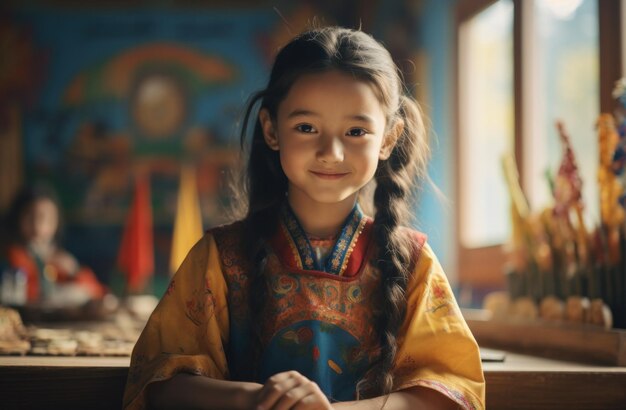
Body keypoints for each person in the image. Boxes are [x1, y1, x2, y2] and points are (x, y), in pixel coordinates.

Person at [124, 26, 485, 410]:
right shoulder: (220, 257)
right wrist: (261, 400)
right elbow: (157, 383)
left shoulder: (413, 263)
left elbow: (452, 393)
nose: (331, 151)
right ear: (271, 129)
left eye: (356, 131)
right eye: (306, 127)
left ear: (389, 139)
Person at [0, 184, 106, 307]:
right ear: (17, 218)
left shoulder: (54, 260)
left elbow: (97, 293)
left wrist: (74, 271)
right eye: (31, 218)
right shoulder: (9, 256)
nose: (38, 228)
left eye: (47, 219)